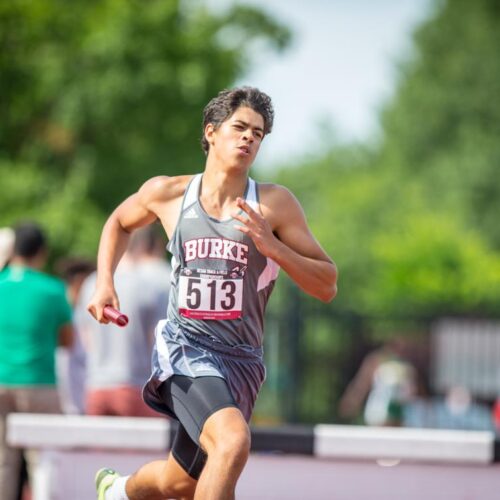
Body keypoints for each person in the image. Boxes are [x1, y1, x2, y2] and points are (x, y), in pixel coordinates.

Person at [88, 86, 338, 500]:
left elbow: (327, 284)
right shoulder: (169, 194)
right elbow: (118, 222)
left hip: (241, 362)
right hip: (185, 350)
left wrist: (272, 247)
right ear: (211, 132)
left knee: (180, 481)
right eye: (239, 127)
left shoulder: (274, 204)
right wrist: (104, 282)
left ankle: (118, 491)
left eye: (258, 133)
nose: (248, 138)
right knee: (232, 442)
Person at [0, 222, 73, 500]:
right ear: (41, 252)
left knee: (3, 463)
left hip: (0, 380)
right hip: (39, 383)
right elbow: (68, 341)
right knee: (43, 460)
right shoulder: (52, 290)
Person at [78, 225, 170, 417]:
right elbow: (156, 339)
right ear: (140, 246)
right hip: (135, 385)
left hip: (96, 385)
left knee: (100, 447)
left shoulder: (90, 284)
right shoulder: (149, 287)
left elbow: (86, 339)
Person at [339, 337, 417, 427]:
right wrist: (352, 401)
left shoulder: (407, 365)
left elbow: (412, 392)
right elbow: (362, 384)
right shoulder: (375, 361)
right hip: (379, 411)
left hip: (400, 413)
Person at [55, 257, 96, 415]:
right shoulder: (71, 316)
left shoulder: (80, 315)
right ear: (81, 282)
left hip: (78, 403)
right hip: (71, 403)